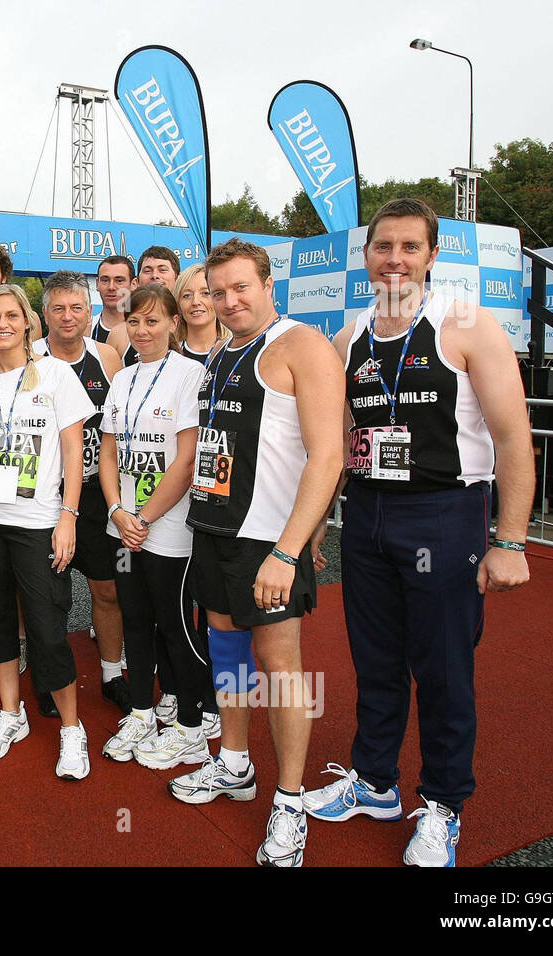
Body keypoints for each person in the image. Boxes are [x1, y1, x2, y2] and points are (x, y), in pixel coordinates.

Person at [303, 198, 535, 867]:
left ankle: (442, 804)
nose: (396, 259)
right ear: (367, 255)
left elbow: (514, 434)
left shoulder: (467, 325)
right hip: (369, 515)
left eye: (410, 247)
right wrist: (319, 520)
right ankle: (374, 781)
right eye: (384, 247)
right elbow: (342, 438)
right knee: (375, 661)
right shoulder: (351, 336)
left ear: (433, 255)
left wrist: (511, 539)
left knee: (441, 670)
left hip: (445, 511)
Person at [168, 238, 344, 869]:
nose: (228, 300)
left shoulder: (301, 346)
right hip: (214, 532)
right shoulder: (220, 352)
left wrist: (291, 550)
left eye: (241, 287)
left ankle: (291, 801)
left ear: (269, 284)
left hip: (269, 540)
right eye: (217, 291)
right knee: (227, 651)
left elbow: (329, 454)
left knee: (281, 666)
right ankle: (234, 763)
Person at [0, 283, 95, 779]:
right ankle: (11, 714)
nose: (2, 324)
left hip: (36, 523)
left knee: (48, 629)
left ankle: (72, 729)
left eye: (12, 315)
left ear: (29, 323)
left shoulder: (55, 374)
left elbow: (74, 452)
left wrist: (68, 516)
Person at [98, 283, 213, 769]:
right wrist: (117, 512)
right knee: (135, 621)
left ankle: (191, 723)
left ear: (173, 323)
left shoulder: (192, 375)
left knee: (175, 625)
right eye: (135, 321)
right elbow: (107, 453)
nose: (142, 330)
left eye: (153, 321)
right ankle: (143, 713)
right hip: (124, 527)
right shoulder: (121, 379)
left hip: (169, 528)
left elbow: (187, 461)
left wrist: (143, 517)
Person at [31, 271, 128, 719]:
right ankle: (46, 676)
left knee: (106, 589)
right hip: (41, 495)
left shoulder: (108, 357)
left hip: (93, 492)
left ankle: (112, 673)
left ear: (89, 312)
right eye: (58, 308)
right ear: (45, 314)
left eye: (76, 308)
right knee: (43, 596)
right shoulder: (29, 358)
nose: (68, 317)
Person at [109, 247, 179, 366]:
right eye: (147, 271)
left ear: (177, 277)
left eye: (162, 270)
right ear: (136, 281)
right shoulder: (119, 334)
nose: (155, 276)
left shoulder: (194, 326)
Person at [175, 265, 228, 364]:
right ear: (178, 305)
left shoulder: (235, 350)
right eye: (187, 295)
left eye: (205, 293)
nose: (195, 302)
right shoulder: (169, 357)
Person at [92, 254, 135, 342]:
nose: (111, 287)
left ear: (133, 284)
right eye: (105, 280)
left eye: (119, 281)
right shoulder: (85, 329)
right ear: (97, 284)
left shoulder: (142, 331)